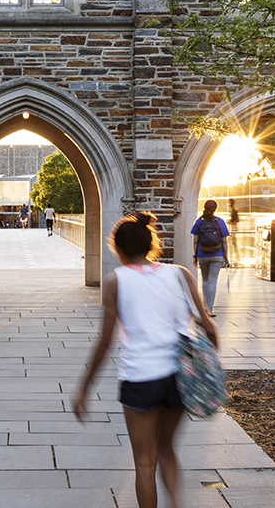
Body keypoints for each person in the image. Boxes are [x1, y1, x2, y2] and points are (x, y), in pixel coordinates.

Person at [73, 211, 219, 508]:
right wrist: (211, 360)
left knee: (144, 462)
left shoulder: (115, 281)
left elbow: (106, 339)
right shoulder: (180, 274)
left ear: (117, 249)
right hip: (179, 377)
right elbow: (209, 327)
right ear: (151, 243)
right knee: (166, 447)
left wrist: (85, 387)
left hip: (139, 377)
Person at [190, 199, 230, 312]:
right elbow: (224, 241)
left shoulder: (199, 222)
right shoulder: (220, 222)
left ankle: (204, 307)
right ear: (215, 209)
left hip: (203, 255)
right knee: (213, 280)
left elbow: (195, 241)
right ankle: (210, 309)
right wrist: (225, 256)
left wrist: (195, 255)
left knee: (205, 280)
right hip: (218, 254)